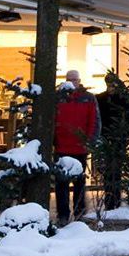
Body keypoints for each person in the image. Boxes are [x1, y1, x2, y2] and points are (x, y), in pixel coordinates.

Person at [54, 69, 101, 226]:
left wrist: (89, 142)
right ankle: (63, 215)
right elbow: (52, 121)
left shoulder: (88, 98)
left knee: (79, 183)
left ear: (79, 80)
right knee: (62, 184)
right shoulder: (58, 98)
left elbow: (94, 121)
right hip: (62, 147)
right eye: (69, 79)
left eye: (75, 79)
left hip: (80, 148)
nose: (72, 82)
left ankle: (80, 213)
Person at [96, 73, 129, 210]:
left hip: (118, 139)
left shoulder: (123, 99)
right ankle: (110, 199)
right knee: (107, 170)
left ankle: (115, 199)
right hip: (106, 138)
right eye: (109, 84)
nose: (110, 87)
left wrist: (126, 136)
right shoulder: (100, 98)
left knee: (116, 170)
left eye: (112, 84)